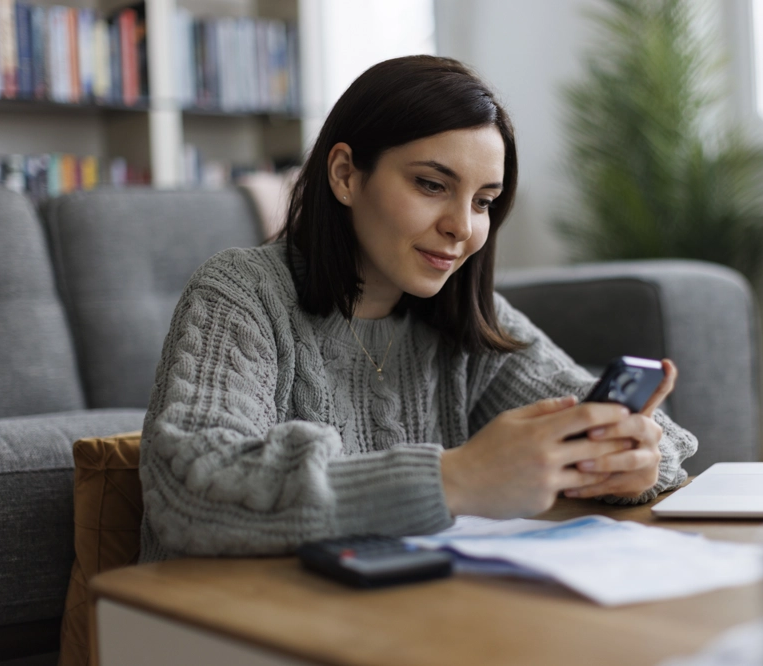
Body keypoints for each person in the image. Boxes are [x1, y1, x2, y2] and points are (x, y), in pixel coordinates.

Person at [138, 55, 698, 562]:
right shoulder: (242, 292)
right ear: (345, 175)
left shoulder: (467, 319)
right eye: (431, 184)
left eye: (483, 202)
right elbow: (193, 489)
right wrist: (456, 478)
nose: (462, 226)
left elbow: (659, 437)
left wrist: (634, 461)